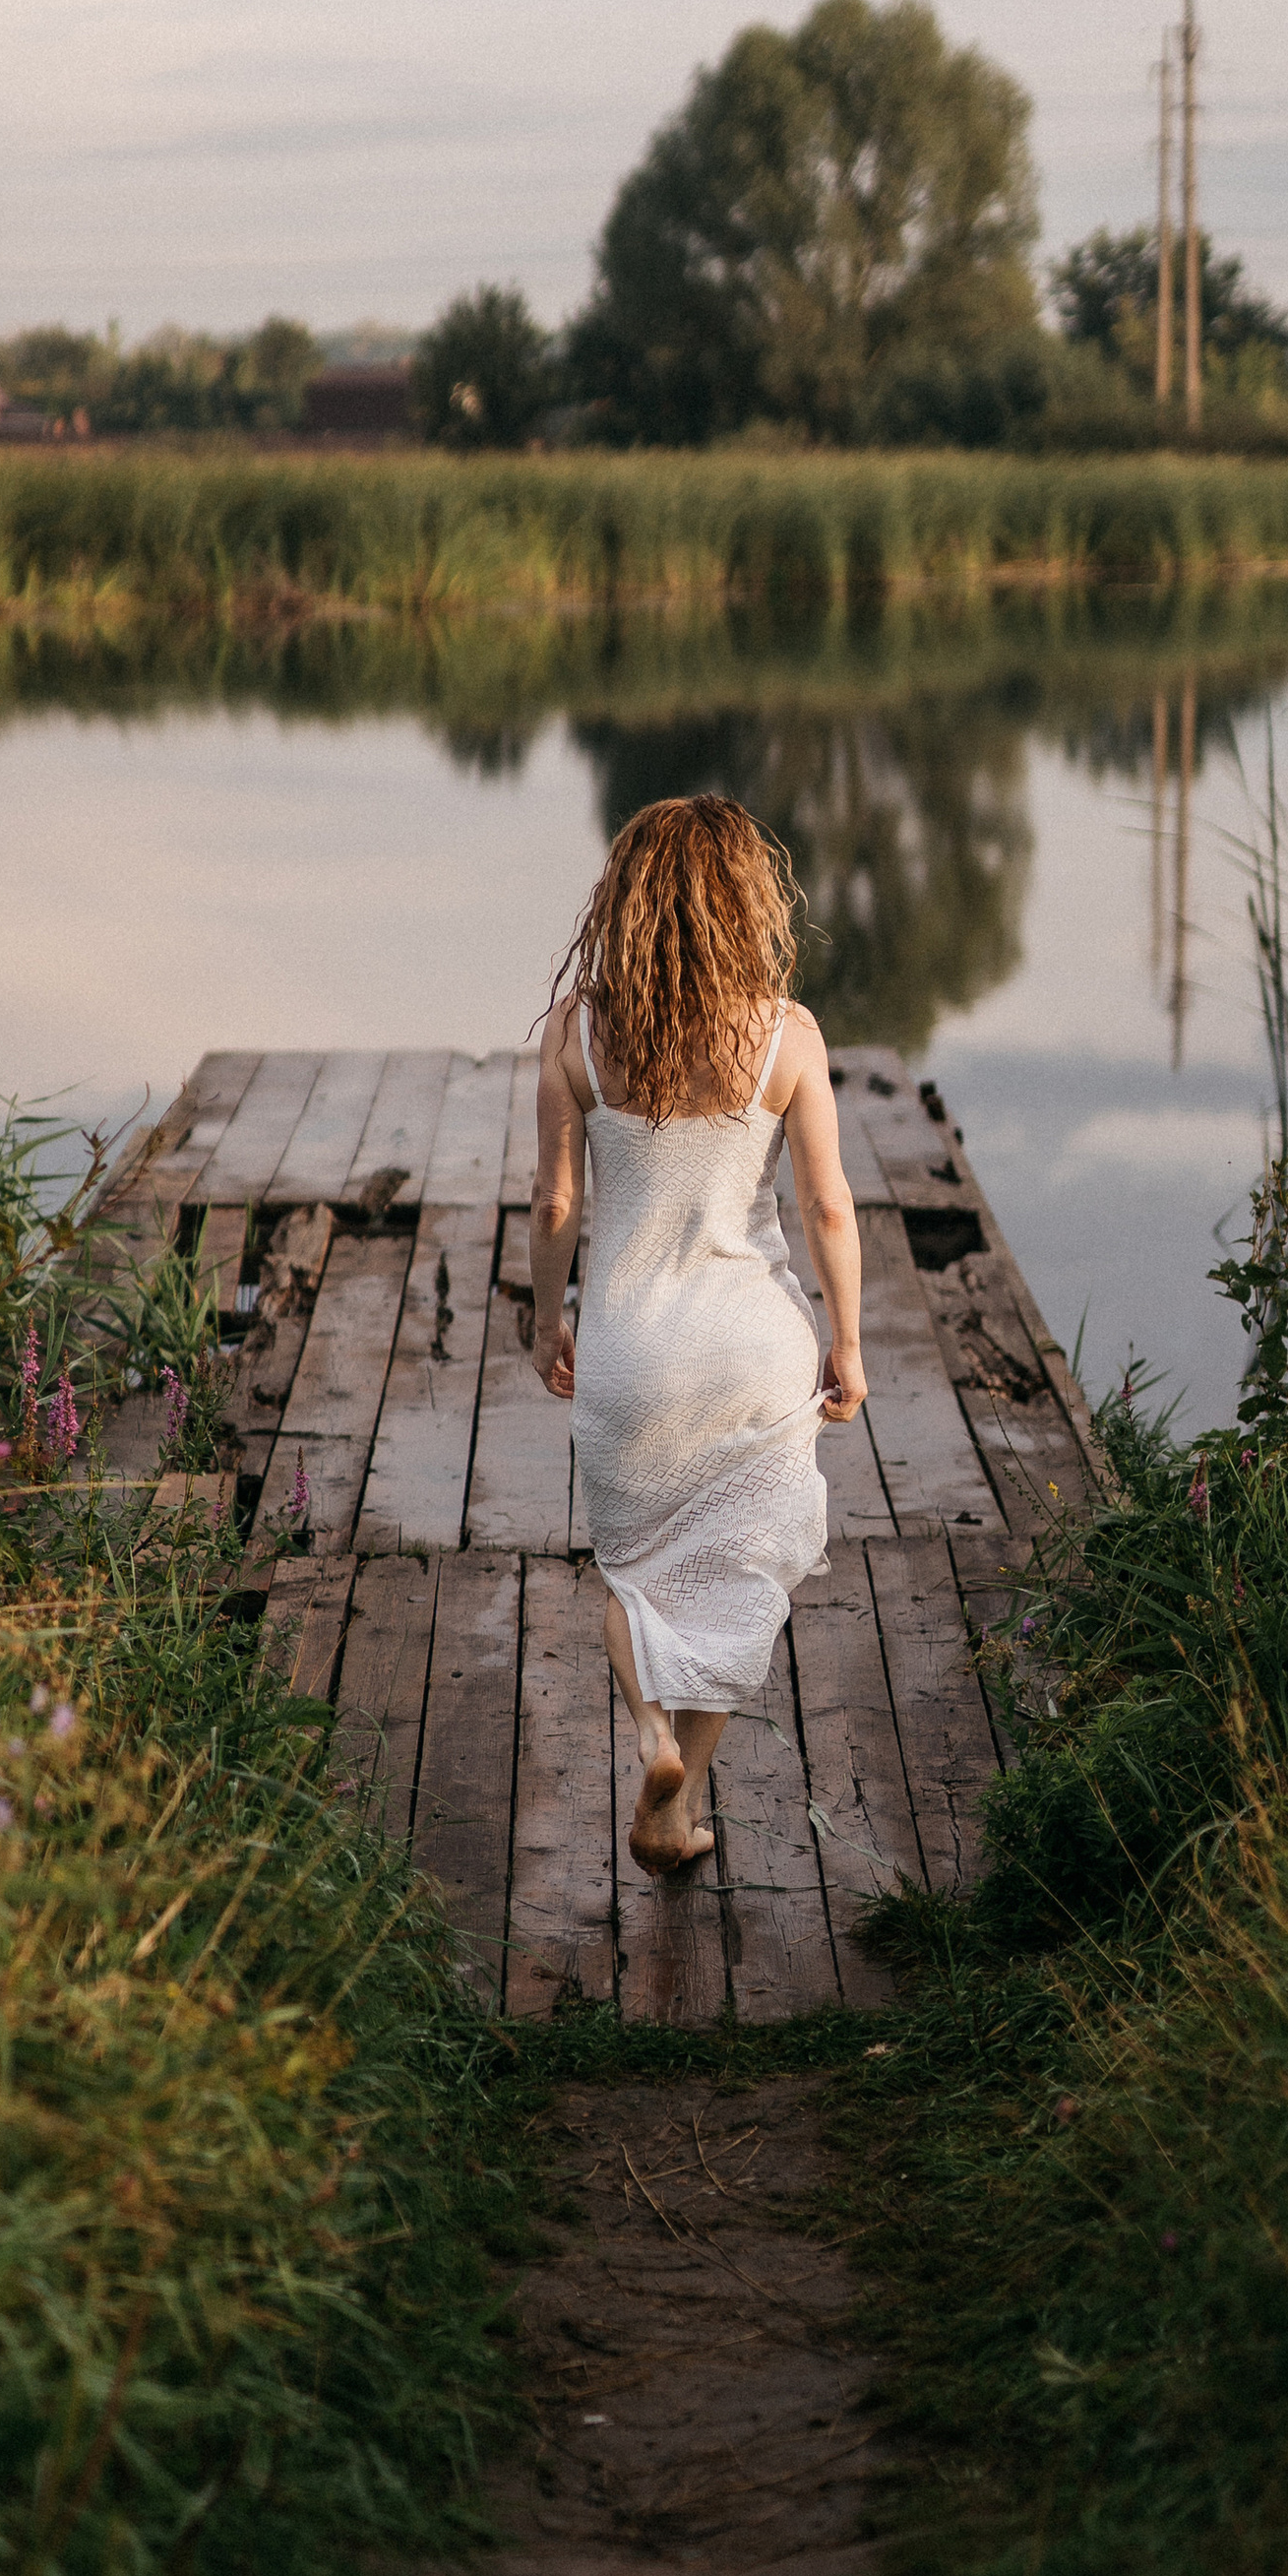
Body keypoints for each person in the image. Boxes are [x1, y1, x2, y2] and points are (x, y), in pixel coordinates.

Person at [528, 793, 866, 1875]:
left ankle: (653, 1742)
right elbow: (825, 1210)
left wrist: (548, 1319)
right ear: (743, 901)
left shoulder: (577, 1030)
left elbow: (552, 1206)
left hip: (630, 1353)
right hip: (751, 1353)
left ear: (624, 900)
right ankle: (672, 1808)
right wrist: (847, 1342)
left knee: (631, 1572)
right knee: (748, 1574)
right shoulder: (787, 1034)